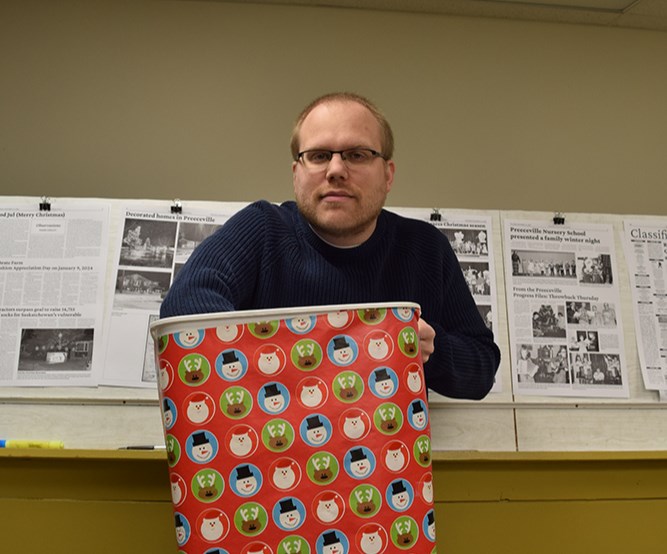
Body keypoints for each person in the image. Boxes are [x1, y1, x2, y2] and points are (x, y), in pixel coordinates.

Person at [159, 92, 500, 399]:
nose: (336, 170)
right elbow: (185, 308)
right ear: (296, 174)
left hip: (389, 456)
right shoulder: (262, 229)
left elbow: (482, 367)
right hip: (271, 457)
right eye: (319, 155)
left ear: (388, 174)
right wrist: (293, 352)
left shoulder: (426, 248)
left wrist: (429, 348)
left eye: (357, 154)